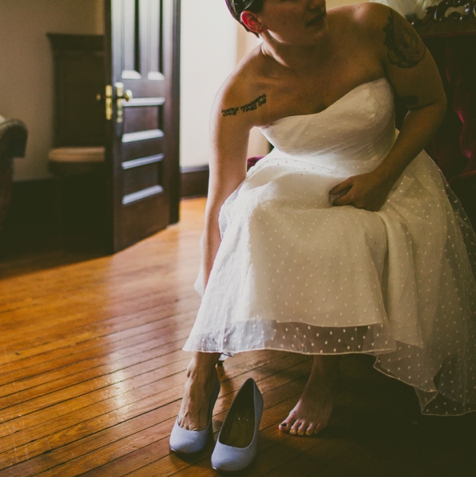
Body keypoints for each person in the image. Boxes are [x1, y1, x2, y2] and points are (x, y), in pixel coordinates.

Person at [175, 0, 476, 442]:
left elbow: (432, 102)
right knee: (248, 213)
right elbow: (218, 206)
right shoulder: (240, 94)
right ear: (254, 21)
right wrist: (207, 328)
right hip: (302, 171)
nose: (315, 1)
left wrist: (381, 177)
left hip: (387, 167)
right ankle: (198, 374)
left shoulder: (374, 24)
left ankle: (324, 373)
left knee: (345, 230)